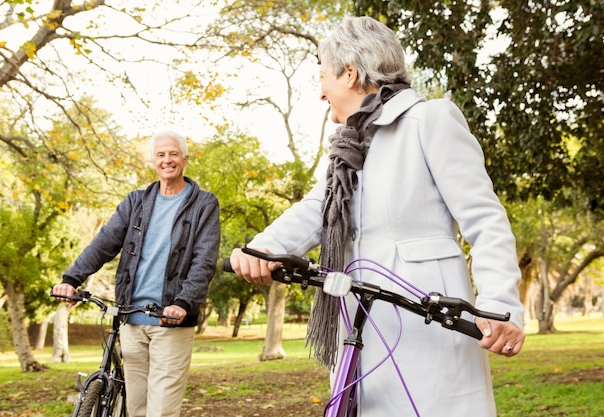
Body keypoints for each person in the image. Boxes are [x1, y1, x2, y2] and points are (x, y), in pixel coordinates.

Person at [227, 16, 525, 417]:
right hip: (360, 328)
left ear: (349, 74)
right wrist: (262, 248)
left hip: (427, 326)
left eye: (323, 77)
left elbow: (486, 221)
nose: (320, 93)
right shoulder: (344, 151)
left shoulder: (428, 120)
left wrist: (499, 306)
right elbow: (315, 210)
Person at [52, 129, 220, 417]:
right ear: (154, 162)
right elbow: (103, 244)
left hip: (171, 320)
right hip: (130, 318)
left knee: (162, 410)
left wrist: (183, 303)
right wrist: (71, 279)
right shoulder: (136, 202)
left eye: (173, 154)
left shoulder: (204, 204)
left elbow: (203, 261)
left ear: (185, 159)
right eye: (161, 155)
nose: (167, 160)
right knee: (137, 409)